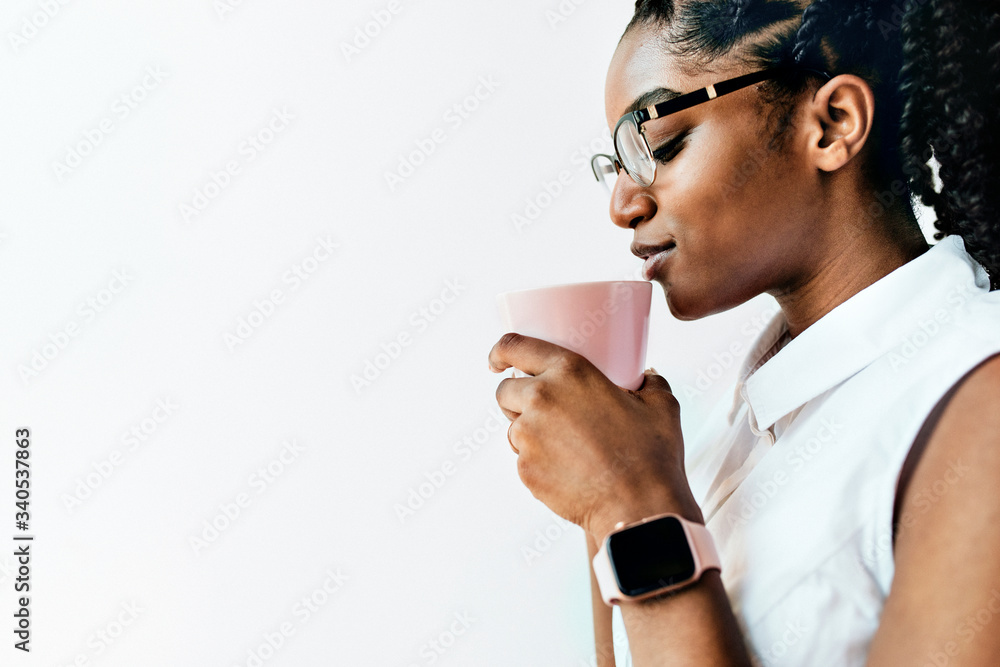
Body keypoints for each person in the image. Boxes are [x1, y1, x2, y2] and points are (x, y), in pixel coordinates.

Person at [488, 0, 1000, 665]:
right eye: (615, 163)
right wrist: (611, 497)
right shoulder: (733, 437)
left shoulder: (977, 401)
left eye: (662, 145)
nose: (622, 204)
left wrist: (634, 501)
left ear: (832, 123)